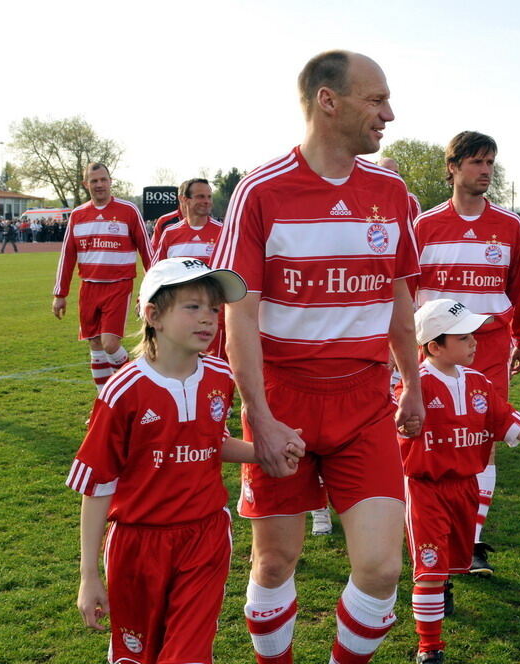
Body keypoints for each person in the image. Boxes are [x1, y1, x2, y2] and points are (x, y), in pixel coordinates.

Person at [211, 49, 424, 664]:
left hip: (364, 399)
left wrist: (410, 382)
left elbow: (399, 296)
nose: (389, 113)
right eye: (375, 99)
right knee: (275, 560)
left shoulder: (390, 189)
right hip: (284, 400)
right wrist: (261, 416)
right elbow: (239, 316)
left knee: (382, 569)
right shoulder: (261, 191)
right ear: (328, 100)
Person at [69, 257, 294, 664]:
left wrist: (267, 451)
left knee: (188, 654)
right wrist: (88, 576)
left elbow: (211, 442)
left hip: (204, 537)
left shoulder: (220, 377)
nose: (208, 319)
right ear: (153, 314)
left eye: (213, 308)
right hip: (138, 544)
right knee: (139, 655)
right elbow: (97, 484)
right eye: (192, 307)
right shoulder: (124, 391)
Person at [399, 298, 520, 664]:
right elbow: (394, 418)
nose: (474, 343)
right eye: (464, 337)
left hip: (466, 487)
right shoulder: (416, 385)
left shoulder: (479, 382)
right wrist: (402, 423)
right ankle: (430, 648)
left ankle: (444, 582)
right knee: (427, 567)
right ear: (434, 347)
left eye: (474, 335)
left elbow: (506, 419)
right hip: (426, 487)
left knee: (452, 560)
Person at [413, 130, 520, 575]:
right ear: (453, 167)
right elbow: (407, 294)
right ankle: (431, 531)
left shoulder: (508, 225)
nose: (485, 171)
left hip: (489, 345)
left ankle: (474, 540)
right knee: (433, 440)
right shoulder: (424, 226)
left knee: (484, 441)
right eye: (477, 162)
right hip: (435, 352)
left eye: (490, 163)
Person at [53, 163, 153, 391]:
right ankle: (104, 402)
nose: (99, 185)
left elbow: (147, 251)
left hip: (118, 286)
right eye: (94, 181)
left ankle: (138, 388)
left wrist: (154, 288)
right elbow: (67, 255)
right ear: (85, 184)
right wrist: (60, 294)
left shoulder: (128, 210)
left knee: (110, 345)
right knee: (96, 346)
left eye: (103, 179)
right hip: (88, 288)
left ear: (110, 181)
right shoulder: (78, 215)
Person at [154, 178, 228, 359]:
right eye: (201, 196)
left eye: (209, 197)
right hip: (180, 315)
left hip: (214, 315)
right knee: (183, 365)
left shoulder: (224, 232)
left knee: (213, 366)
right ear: (185, 200)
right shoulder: (170, 234)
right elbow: (156, 272)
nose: (207, 201)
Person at [378, 156, 422, 220]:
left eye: (395, 172)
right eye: (386, 171)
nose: (392, 175)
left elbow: (417, 228)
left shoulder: (410, 200)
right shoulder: (366, 199)